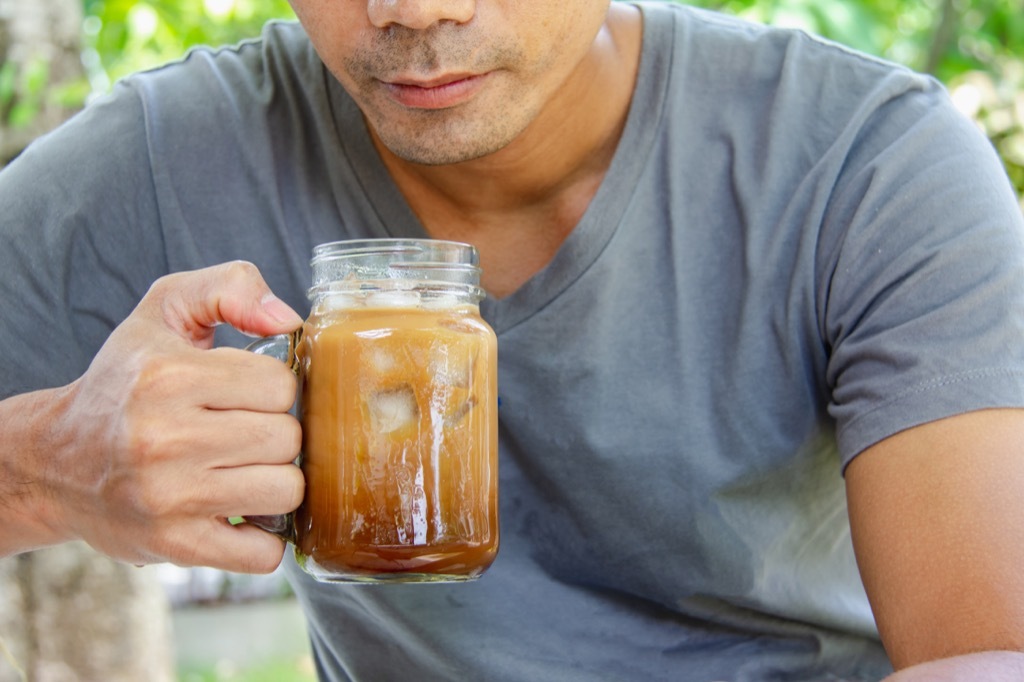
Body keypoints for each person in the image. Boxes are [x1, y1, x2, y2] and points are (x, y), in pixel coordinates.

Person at [1, 0, 1023, 679]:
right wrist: (46, 469)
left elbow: (985, 655)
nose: (413, 8)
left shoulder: (866, 164)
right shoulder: (171, 158)